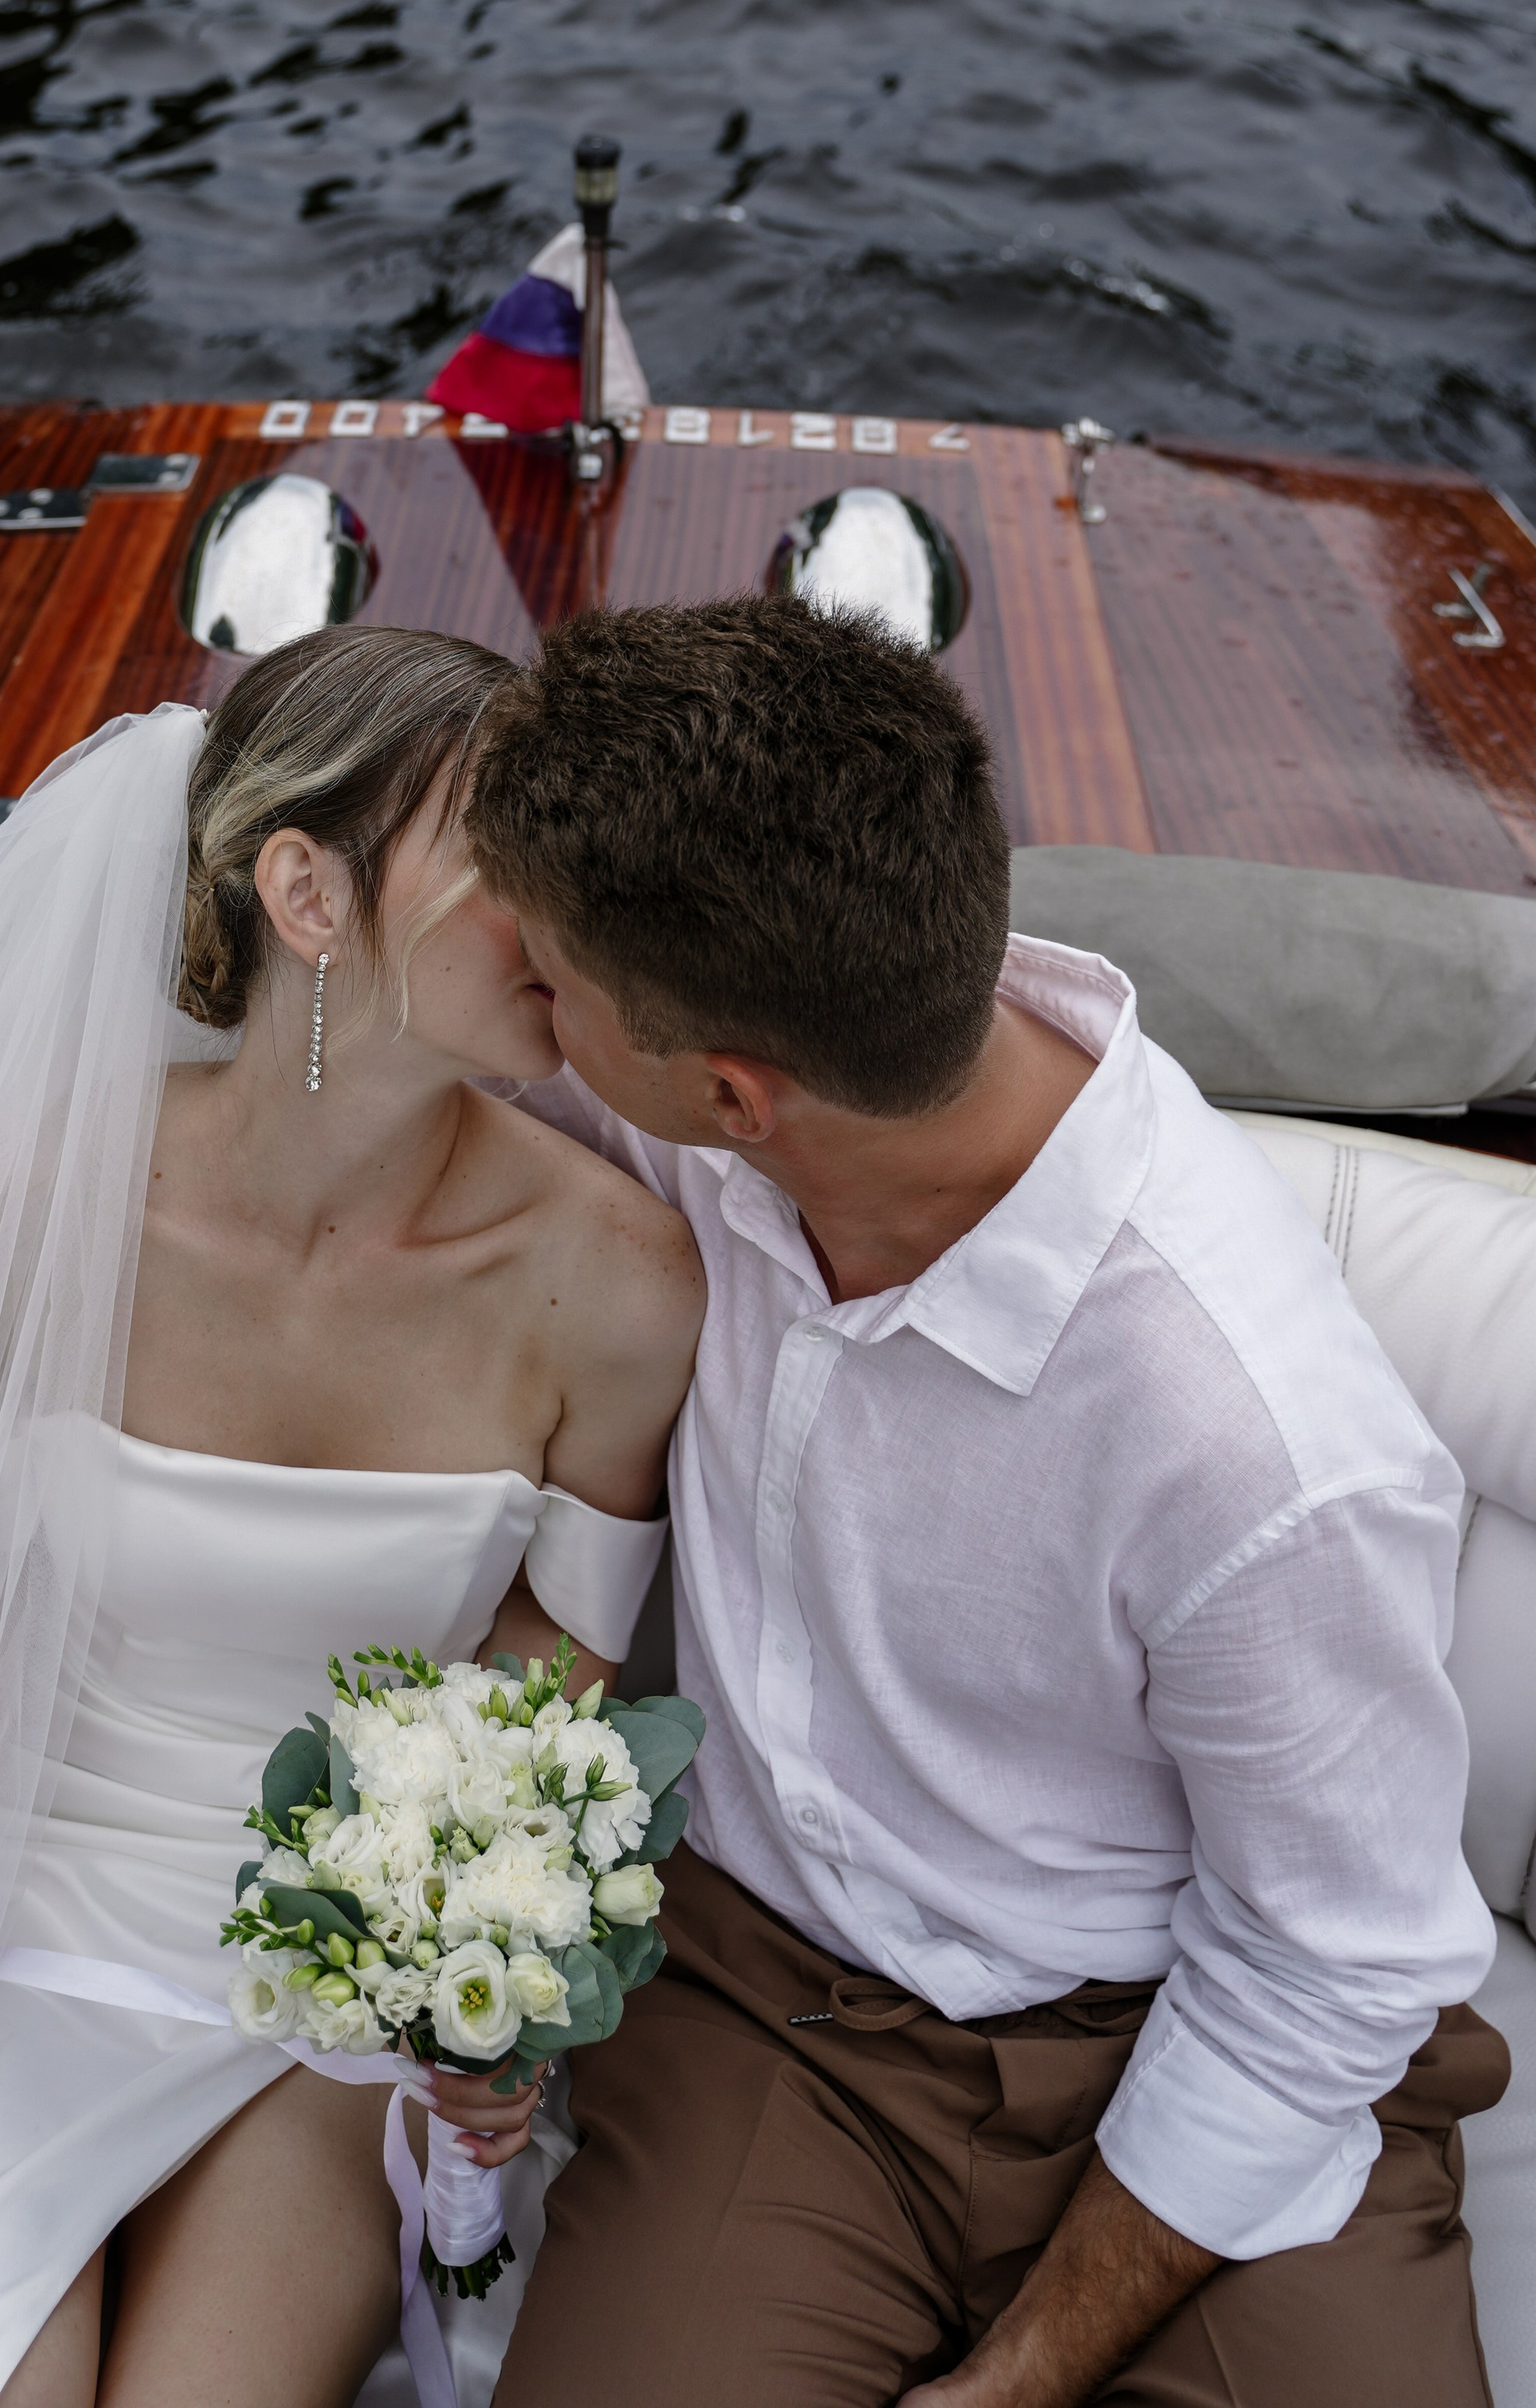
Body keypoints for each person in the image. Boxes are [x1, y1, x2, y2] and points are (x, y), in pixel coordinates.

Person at [0, 628, 702, 2408]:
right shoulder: (29, 1191)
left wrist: (461, 1957)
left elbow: (553, 1651)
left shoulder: (612, 1278)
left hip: (320, 1984)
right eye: (509, 857)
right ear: (306, 895)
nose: (577, 914)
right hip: (13, 1902)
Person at [467, 593, 1507, 2408]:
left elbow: (1325, 1962)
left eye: (547, 984)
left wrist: (1014, 2378)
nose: (521, 1011)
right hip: (769, 2011)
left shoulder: (1257, 1442)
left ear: (731, 1093)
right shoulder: (740, 1105)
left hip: (1204, 2036)